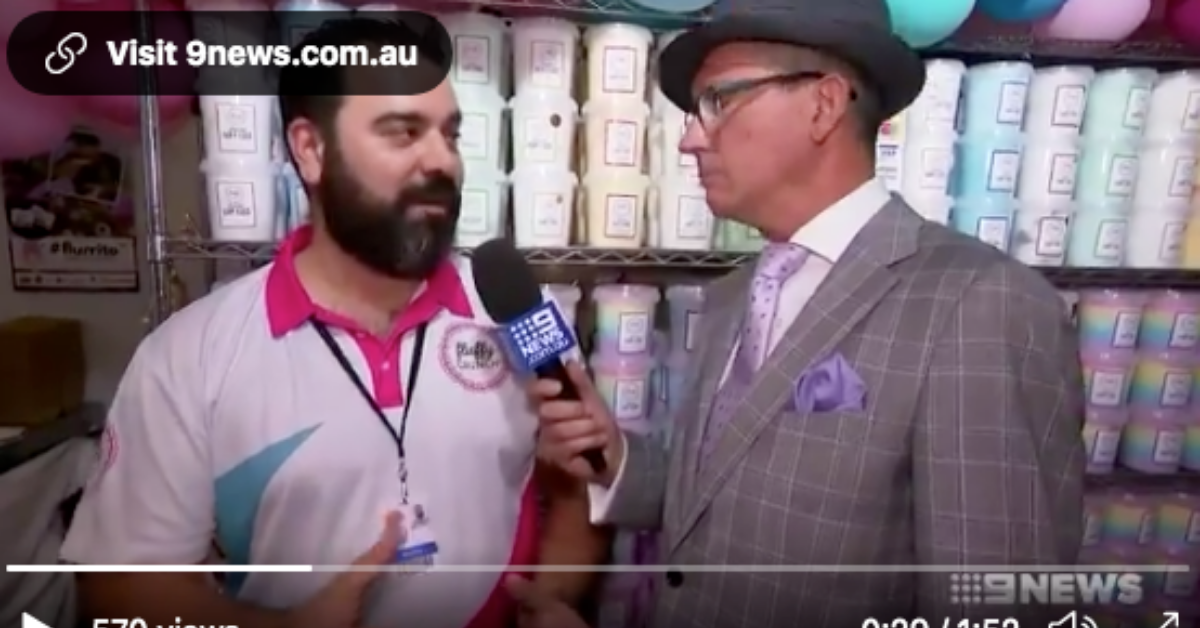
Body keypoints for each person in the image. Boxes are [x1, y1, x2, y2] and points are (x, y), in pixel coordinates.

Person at [520, 0, 1085, 626]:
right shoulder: (733, 295)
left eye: (718, 100)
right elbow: (729, 496)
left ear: (823, 105)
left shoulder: (977, 305)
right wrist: (615, 456)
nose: (688, 138)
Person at [61, 19, 608, 628]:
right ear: (310, 149)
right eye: (403, 132)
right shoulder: (190, 355)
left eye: (450, 134)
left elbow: (576, 491)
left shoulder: (522, 316)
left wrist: (552, 601)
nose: (443, 161)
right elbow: (120, 591)